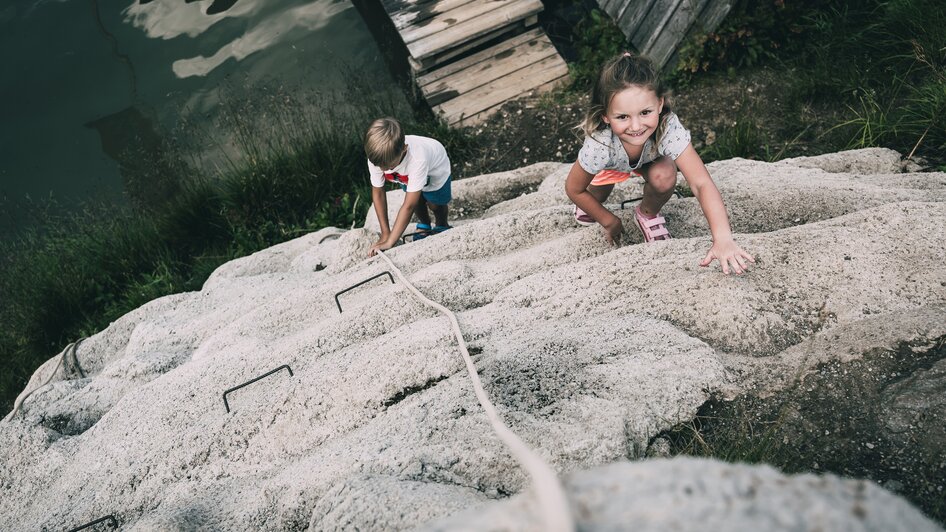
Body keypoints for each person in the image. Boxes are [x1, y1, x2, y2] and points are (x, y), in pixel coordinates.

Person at [564, 52, 754, 275]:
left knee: (664, 175)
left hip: (649, 159)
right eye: (622, 117)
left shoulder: (668, 127)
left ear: (660, 104)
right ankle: (598, 198)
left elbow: (701, 183)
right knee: (592, 199)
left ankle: (647, 213)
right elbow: (573, 188)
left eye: (645, 112)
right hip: (610, 164)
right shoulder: (600, 144)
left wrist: (723, 239)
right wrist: (608, 220)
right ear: (605, 115)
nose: (636, 126)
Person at [365, 117, 452, 257]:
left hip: (435, 171)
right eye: (380, 166)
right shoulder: (378, 158)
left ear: (404, 149)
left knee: (435, 204)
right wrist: (386, 233)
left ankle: (442, 224)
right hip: (407, 176)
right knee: (418, 201)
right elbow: (378, 193)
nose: (384, 169)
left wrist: (390, 241)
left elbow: (408, 206)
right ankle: (424, 225)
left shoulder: (418, 158)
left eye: (390, 166)